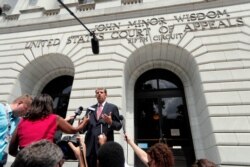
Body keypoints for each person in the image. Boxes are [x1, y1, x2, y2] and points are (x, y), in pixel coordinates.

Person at [8, 94, 88, 156]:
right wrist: (84, 122)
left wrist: (24, 156)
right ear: (50, 106)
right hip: (44, 159)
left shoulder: (22, 121)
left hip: (22, 161)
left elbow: (11, 150)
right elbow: (73, 130)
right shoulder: (54, 118)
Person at [81, 87, 122, 167]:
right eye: (97, 93)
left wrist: (111, 122)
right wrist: (81, 126)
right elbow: (84, 129)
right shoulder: (90, 109)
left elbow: (118, 126)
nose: (99, 94)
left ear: (106, 94)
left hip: (103, 146)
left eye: (101, 92)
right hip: (89, 147)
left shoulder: (112, 108)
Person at [0, 94, 33, 167]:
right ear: (20, 103)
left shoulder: (18, 120)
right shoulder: (1, 108)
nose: (25, 113)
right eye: (26, 109)